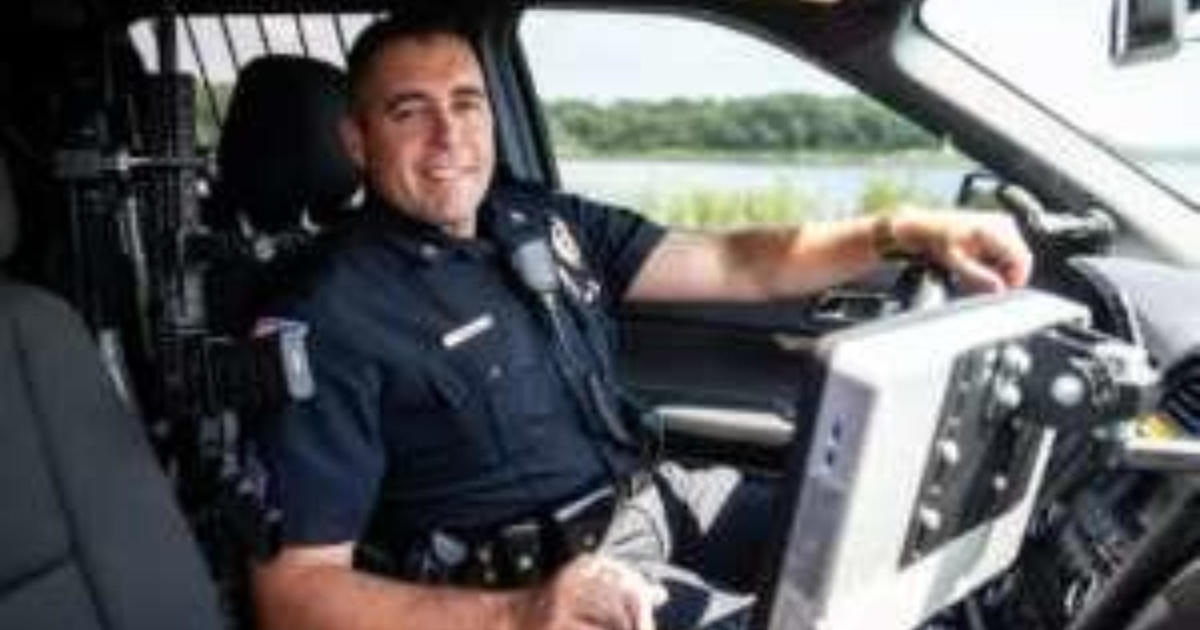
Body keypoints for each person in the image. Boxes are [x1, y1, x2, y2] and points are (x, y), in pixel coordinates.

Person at [250, 13, 1032, 630]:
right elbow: (293, 591)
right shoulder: (328, 315)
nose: (449, 136)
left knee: (886, 538)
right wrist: (520, 615)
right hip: (540, 588)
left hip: (655, 501)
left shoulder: (536, 220)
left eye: (466, 103)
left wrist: (903, 229)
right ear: (357, 141)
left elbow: (739, 263)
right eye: (409, 112)